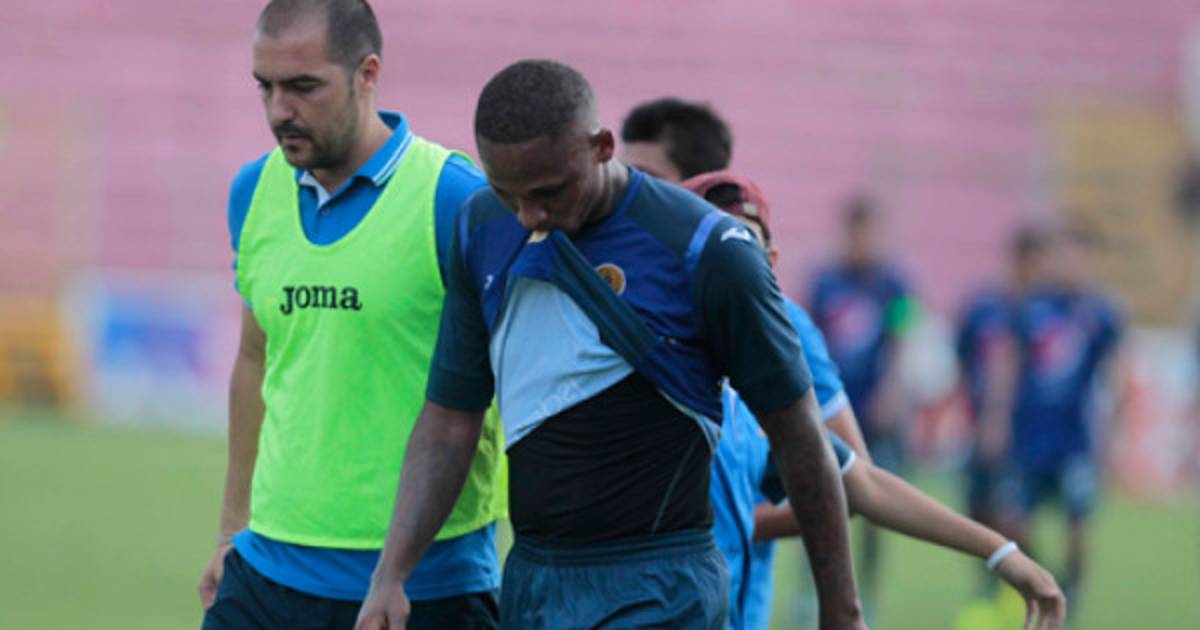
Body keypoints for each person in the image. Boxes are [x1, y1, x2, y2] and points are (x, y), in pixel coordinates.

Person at [356, 59, 865, 630]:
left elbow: (799, 436)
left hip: (661, 587)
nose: (530, 216)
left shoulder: (705, 249)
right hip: (533, 583)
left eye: (549, 192)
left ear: (601, 146)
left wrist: (841, 613)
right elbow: (449, 421)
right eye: (508, 194)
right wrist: (390, 576)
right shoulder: (480, 227)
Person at [199, 2, 504, 628]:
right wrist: (232, 531)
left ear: (368, 74)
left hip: (423, 587)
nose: (279, 110)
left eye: (303, 87)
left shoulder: (454, 198)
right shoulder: (252, 191)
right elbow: (255, 357)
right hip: (264, 573)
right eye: (266, 87)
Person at [683, 172, 1065, 630]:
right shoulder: (650, 368)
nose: (730, 266)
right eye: (716, 246)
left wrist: (1001, 552)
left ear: (771, 262)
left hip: (854, 412)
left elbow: (859, 481)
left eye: (744, 248)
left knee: (825, 495)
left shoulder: (883, 290)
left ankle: (862, 588)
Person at [998, 224, 1126, 612]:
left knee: (1078, 525)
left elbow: (1113, 375)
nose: (1071, 263)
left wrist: (1112, 433)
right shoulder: (1032, 308)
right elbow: (1012, 366)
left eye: (1078, 255)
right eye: (1065, 254)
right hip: (1030, 435)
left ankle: (1074, 591)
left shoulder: (1101, 313)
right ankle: (1048, 580)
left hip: (1075, 439)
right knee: (1015, 522)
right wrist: (998, 418)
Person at [808, 194, 916, 610]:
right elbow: (808, 340)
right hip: (831, 409)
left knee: (874, 501)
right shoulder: (824, 282)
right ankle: (813, 589)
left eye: (870, 232)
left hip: (874, 409)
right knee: (818, 498)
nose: (863, 241)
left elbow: (903, 339)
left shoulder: (896, 285)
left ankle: (865, 589)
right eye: (857, 232)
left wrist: (892, 393)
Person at [955, 227, 1047, 582]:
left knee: (1011, 516)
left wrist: (998, 419)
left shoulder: (1039, 313)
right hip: (981, 427)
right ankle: (995, 586)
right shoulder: (984, 306)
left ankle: (1040, 579)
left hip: (1023, 433)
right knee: (976, 510)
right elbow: (965, 357)